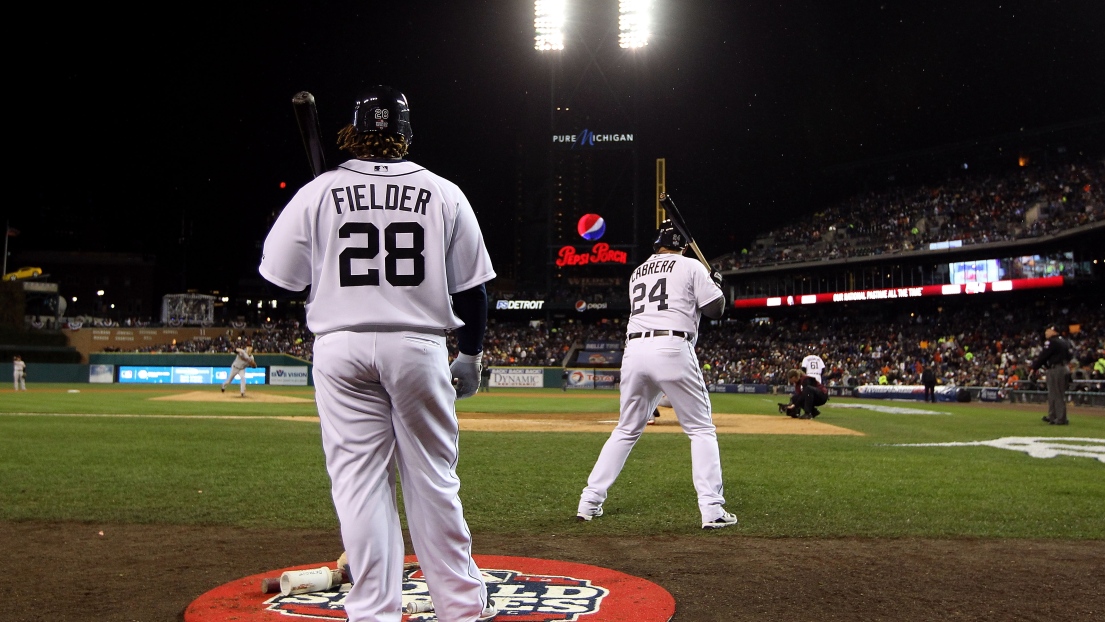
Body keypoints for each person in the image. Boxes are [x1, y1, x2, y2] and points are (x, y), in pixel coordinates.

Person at [258, 85, 498, 622]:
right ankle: (461, 608)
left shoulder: (319, 191)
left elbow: (281, 278)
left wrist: (326, 226)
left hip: (340, 348)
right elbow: (473, 289)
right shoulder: (444, 192)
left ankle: (373, 610)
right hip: (418, 345)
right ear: (406, 136)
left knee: (360, 486)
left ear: (354, 134)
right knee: (433, 481)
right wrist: (471, 355)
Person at [577, 220, 736, 530]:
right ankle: (712, 509)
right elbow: (716, 310)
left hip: (634, 351)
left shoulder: (638, 271)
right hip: (672, 346)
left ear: (657, 244)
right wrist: (718, 285)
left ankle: (589, 501)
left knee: (625, 430)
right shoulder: (690, 266)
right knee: (701, 429)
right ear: (682, 244)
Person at [1029, 324, 1072, 425]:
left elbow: (1043, 356)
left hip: (1056, 369)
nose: (1046, 333)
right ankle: (1052, 416)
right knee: (1054, 393)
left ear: (1053, 331)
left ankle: (1060, 418)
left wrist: (1034, 368)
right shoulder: (1064, 341)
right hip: (1064, 367)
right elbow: (1069, 355)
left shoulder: (1052, 341)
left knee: (1056, 394)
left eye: (1048, 331)